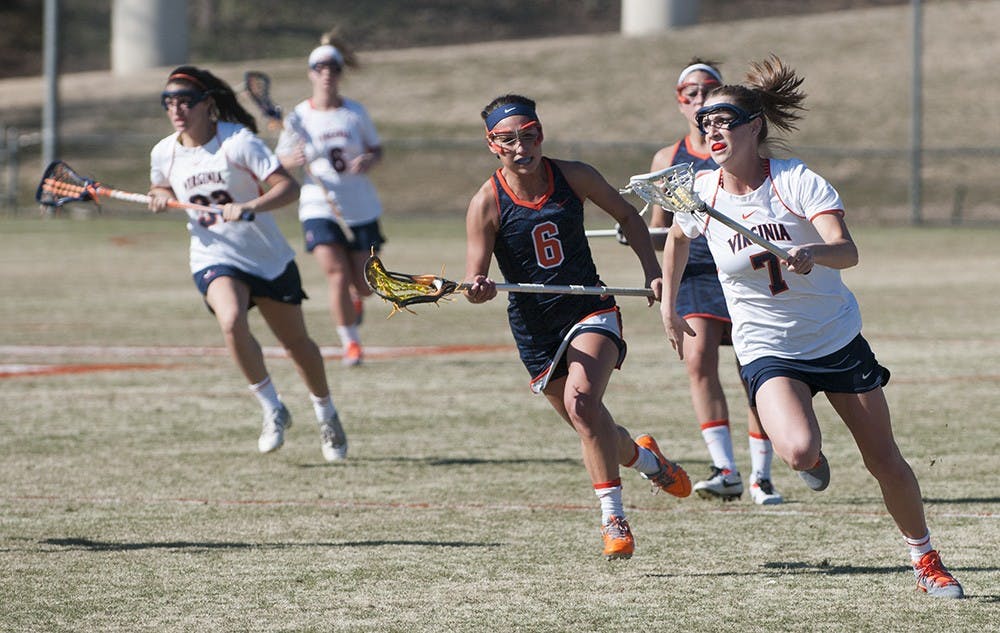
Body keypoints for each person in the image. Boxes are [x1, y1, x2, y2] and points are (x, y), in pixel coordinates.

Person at [659, 55, 964, 598]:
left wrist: (813, 251)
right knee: (798, 451)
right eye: (706, 123)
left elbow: (848, 252)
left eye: (724, 121)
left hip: (835, 338)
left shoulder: (795, 180)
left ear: (755, 128)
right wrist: (669, 303)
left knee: (885, 461)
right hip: (767, 347)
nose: (712, 131)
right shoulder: (701, 191)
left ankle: (926, 558)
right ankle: (813, 456)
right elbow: (678, 238)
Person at [464, 94, 691, 561]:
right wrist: (477, 287)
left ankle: (613, 519)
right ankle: (648, 459)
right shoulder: (486, 202)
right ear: (493, 145)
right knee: (591, 424)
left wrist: (654, 272)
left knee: (583, 403)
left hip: (590, 308)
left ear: (541, 133)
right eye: (508, 139)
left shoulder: (574, 175)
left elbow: (629, 216)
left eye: (529, 134)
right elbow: (477, 275)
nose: (521, 146)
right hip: (535, 329)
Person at [148, 65, 349, 463]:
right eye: (169, 102)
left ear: (207, 105)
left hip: (265, 257)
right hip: (213, 255)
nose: (176, 110)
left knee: (297, 344)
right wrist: (157, 194)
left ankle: (326, 411)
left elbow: (286, 187)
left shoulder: (238, 142)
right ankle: (272, 406)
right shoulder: (164, 151)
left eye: (185, 101)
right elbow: (162, 183)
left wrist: (250, 207)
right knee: (231, 320)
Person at [648, 58, 782, 505]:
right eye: (690, 92)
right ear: (679, 100)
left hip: (743, 270)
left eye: (708, 89)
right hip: (697, 272)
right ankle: (725, 468)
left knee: (753, 369)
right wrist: (655, 271)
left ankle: (762, 474)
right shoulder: (669, 159)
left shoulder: (740, 149)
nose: (699, 98)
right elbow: (660, 229)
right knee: (699, 359)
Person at [276, 31, 386, 368]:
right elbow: (279, 160)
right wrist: (291, 160)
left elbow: (376, 148)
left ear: (340, 73)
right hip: (318, 204)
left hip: (359, 205)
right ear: (311, 73)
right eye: (320, 67)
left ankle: (357, 300)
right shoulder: (298, 117)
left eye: (333, 68)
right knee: (335, 273)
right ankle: (350, 344)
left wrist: (369, 159)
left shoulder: (354, 113)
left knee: (366, 285)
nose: (327, 73)